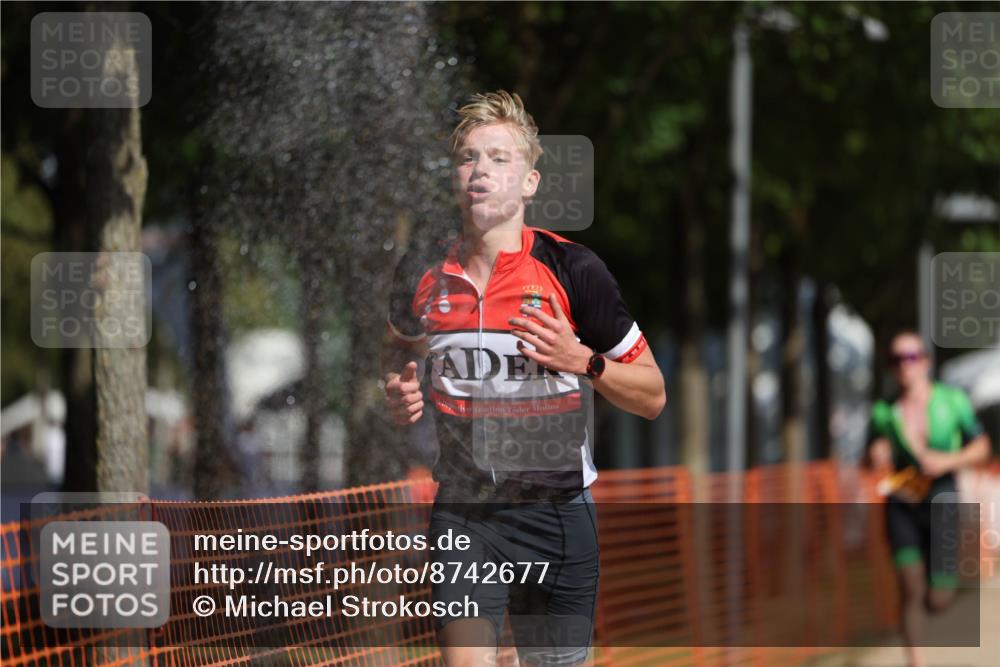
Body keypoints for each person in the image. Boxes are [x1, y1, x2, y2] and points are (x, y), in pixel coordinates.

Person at [382, 90, 666, 667]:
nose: (479, 169)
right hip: (464, 513)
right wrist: (398, 392)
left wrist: (580, 358)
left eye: (498, 158)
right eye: (467, 158)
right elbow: (399, 359)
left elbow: (653, 394)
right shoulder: (421, 273)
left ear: (530, 183)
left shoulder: (572, 270)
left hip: (555, 513)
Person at [864, 330, 991, 667]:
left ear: (925, 361)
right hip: (902, 498)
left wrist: (947, 461)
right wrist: (875, 454)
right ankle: (915, 662)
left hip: (942, 495)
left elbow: (982, 446)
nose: (905, 365)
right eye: (896, 359)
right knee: (910, 587)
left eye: (911, 357)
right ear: (890, 367)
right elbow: (870, 454)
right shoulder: (883, 412)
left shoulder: (952, 402)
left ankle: (938, 601)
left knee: (938, 598)